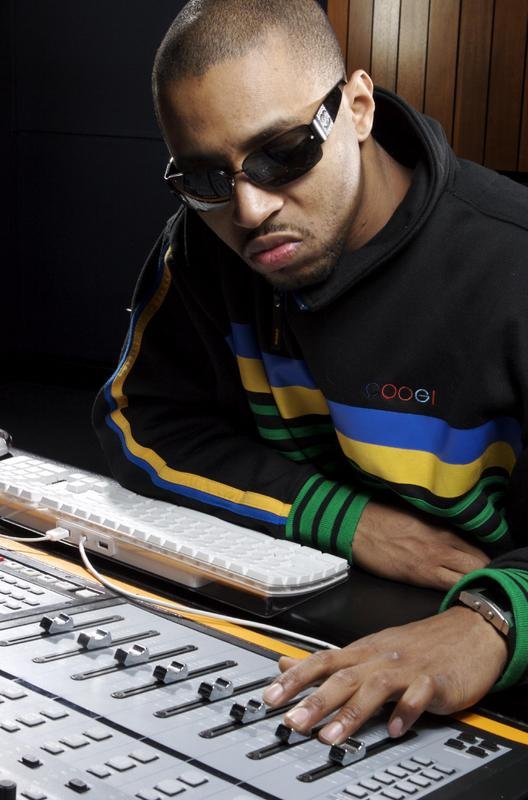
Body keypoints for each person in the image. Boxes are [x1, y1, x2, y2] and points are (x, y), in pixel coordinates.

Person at [93, 0, 528, 745]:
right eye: (205, 178)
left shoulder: (512, 258)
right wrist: (348, 521)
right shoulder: (200, 247)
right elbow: (138, 421)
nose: (249, 210)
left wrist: (492, 620)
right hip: (303, 619)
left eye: (283, 152)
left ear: (357, 107)